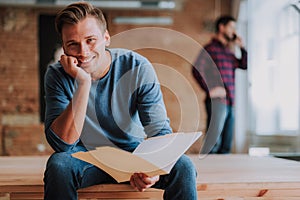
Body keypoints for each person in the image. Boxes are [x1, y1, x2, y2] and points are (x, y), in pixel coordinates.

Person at [43, 2, 197, 200]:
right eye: (73, 44)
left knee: (184, 166)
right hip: (86, 158)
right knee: (59, 164)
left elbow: (159, 130)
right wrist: (83, 83)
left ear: (106, 37)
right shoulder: (57, 75)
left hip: (133, 156)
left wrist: (155, 169)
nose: (83, 52)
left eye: (90, 40)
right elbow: (62, 145)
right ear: (64, 47)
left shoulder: (137, 66)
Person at [192, 15, 247, 154]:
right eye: (231, 27)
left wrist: (242, 48)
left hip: (230, 102)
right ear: (222, 27)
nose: (234, 31)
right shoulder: (210, 49)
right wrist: (210, 89)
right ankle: (208, 175)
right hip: (217, 101)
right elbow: (196, 68)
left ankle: (224, 176)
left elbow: (244, 65)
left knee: (226, 145)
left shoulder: (228, 52)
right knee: (213, 144)